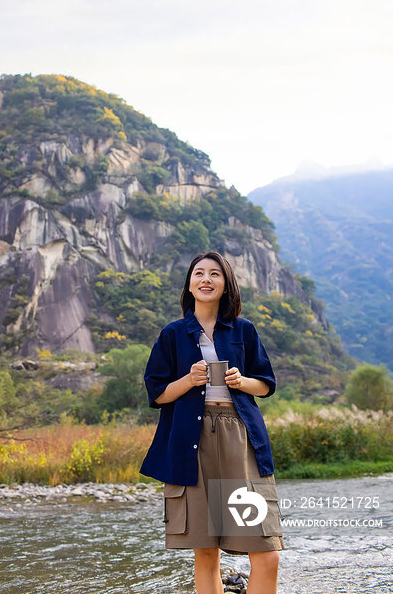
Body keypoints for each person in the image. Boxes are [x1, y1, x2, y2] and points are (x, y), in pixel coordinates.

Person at [139, 251, 285, 594]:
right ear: (190, 284)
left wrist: (240, 381)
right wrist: (188, 380)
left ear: (225, 284)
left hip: (239, 437)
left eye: (215, 274)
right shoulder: (173, 334)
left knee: (266, 552)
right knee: (206, 554)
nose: (206, 279)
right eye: (199, 273)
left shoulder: (244, 331)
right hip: (191, 440)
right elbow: (157, 393)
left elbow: (265, 384)